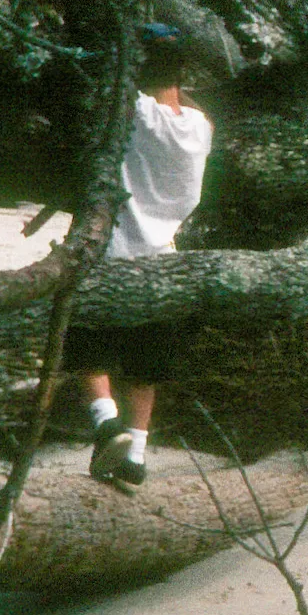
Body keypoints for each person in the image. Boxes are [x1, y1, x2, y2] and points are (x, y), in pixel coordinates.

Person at [70, 25, 213, 489]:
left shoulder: (131, 112)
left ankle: (105, 422)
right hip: (164, 258)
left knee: (86, 341)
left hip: (113, 250)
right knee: (145, 362)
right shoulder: (200, 127)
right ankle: (136, 454)